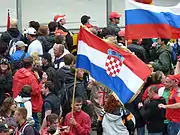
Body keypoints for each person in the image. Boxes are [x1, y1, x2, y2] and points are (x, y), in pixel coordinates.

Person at [12, 56, 46, 130]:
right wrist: (41, 81)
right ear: (32, 64)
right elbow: (36, 91)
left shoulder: (17, 73)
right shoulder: (31, 77)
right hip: (31, 104)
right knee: (34, 123)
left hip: (18, 101)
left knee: (18, 123)